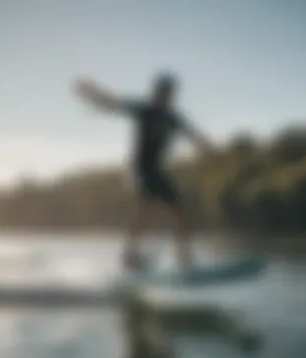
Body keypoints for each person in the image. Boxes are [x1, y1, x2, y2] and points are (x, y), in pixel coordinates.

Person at [73, 72, 214, 270]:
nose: (166, 97)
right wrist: (91, 93)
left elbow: (194, 135)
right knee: (147, 207)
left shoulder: (173, 118)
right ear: (156, 93)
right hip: (140, 168)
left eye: (169, 94)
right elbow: (113, 104)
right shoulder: (145, 110)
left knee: (179, 210)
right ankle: (130, 256)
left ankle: (184, 260)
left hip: (158, 170)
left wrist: (207, 148)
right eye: (162, 93)